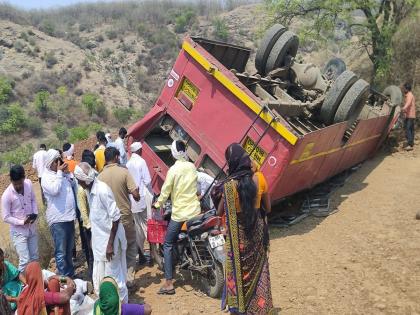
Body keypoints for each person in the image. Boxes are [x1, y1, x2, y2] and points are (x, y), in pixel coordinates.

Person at [217, 143, 274, 314]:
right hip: (256, 233)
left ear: (231, 163)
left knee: (238, 271)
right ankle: (259, 308)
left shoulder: (228, 187)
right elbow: (268, 208)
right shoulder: (260, 179)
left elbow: (219, 211)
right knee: (259, 271)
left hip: (238, 238)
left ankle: (239, 308)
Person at [74, 162, 128, 303]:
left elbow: (115, 218)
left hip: (110, 244)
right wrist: (93, 240)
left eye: (78, 179)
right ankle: (109, 308)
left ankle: (123, 308)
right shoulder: (89, 191)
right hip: (100, 243)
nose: (78, 182)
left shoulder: (102, 190)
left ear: (84, 179)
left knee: (115, 280)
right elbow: (97, 219)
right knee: (101, 279)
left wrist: (110, 245)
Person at [154, 140, 201, 295]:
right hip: (195, 211)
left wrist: (157, 204)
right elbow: (197, 187)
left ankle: (168, 283)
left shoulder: (173, 170)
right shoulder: (192, 166)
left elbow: (166, 191)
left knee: (167, 243)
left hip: (180, 213)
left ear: (173, 153)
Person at [98, 147, 140, 285]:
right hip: (125, 217)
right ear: (116, 157)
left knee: (115, 250)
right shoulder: (124, 172)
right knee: (131, 245)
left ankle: (117, 279)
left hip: (108, 222)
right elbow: (135, 195)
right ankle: (129, 278)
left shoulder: (99, 177)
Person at [41, 149, 76, 277]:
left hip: (69, 217)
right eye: (56, 161)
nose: (59, 163)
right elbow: (55, 190)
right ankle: (63, 280)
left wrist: (67, 173)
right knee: (61, 251)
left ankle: (70, 276)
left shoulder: (61, 174)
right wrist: (60, 173)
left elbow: (72, 184)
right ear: (51, 162)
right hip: (58, 220)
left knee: (69, 249)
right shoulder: (46, 177)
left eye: (59, 160)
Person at [1, 165, 39, 272]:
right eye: (15, 183)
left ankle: (35, 284)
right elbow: (5, 217)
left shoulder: (29, 184)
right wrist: (22, 222)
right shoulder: (6, 196)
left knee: (35, 258)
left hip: (31, 227)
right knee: (25, 260)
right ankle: (21, 286)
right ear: (11, 180)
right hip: (18, 232)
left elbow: (33, 199)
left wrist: (35, 213)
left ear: (24, 178)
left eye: (20, 183)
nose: (18, 186)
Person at [126, 142, 152, 265]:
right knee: (148, 226)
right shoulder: (141, 162)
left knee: (137, 229)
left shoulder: (128, 163)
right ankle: (153, 254)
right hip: (142, 198)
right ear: (140, 150)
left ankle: (141, 254)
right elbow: (147, 180)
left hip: (132, 200)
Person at [77, 149, 96, 279]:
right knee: (90, 252)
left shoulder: (94, 180)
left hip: (95, 223)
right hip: (89, 225)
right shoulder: (81, 190)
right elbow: (83, 210)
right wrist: (88, 226)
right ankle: (92, 274)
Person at [401, 82, 416, 151]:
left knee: (408, 129)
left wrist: (403, 108)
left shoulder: (409, 95)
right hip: (411, 115)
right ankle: (411, 143)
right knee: (411, 129)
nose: (403, 89)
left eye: (404, 88)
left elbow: (408, 103)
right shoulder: (408, 95)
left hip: (410, 115)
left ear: (407, 89)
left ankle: (410, 145)